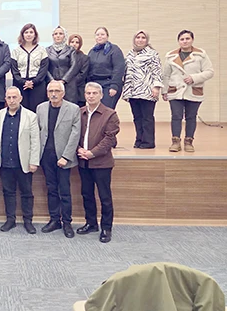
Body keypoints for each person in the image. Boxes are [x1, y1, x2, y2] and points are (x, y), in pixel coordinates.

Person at [36, 81, 80, 238]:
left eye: (57, 91)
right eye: (50, 91)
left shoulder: (73, 109)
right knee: (51, 189)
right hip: (46, 156)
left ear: (63, 93)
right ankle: (54, 220)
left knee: (65, 191)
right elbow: (38, 131)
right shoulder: (41, 108)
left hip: (63, 157)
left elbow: (75, 135)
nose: (53, 94)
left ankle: (67, 222)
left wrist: (66, 157)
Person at [77, 82, 120, 243]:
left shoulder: (110, 114)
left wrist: (92, 153)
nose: (91, 96)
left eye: (94, 93)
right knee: (86, 194)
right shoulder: (80, 112)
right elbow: (74, 133)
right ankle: (91, 223)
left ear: (101, 95)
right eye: (88, 93)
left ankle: (106, 228)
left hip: (102, 163)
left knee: (104, 196)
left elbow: (110, 139)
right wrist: (79, 149)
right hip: (83, 161)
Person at [162, 30, 214, 152]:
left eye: (187, 38)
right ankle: (175, 141)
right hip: (175, 91)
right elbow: (166, 75)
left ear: (192, 40)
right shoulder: (170, 56)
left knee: (191, 117)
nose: (185, 41)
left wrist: (194, 78)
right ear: (178, 41)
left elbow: (209, 72)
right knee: (176, 116)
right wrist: (164, 91)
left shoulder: (201, 55)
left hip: (193, 91)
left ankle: (189, 141)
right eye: (182, 39)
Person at [0, 86, 40, 234]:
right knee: (8, 192)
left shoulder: (31, 116)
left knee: (26, 192)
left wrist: (34, 161)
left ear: (20, 98)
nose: (12, 100)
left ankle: (28, 221)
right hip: (5, 161)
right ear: (5, 99)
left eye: (14, 97)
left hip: (23, 161)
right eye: (9, 97)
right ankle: (10, 220)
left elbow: (35, 141)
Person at [122, 30, 163, 149]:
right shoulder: (130, 54)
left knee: (147, 118)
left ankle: (148, 142)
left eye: (143, 37)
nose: (140, 39)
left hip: (147, 91)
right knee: (137, 118)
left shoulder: (152, 54)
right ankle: (139, 139)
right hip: (133, 91)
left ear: (147, 40)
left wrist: (156, 87)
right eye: (138, 37)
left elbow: (157, 71)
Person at [11, 23, 49, 111]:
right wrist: (23, 82)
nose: (28, 35)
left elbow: (43, 69)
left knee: (37, 110)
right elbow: (14, 70)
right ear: (22, 35)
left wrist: (33, 82)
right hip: (20, 85)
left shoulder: (42, 50)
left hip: (38, 86)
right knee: (21, 111)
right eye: (26, 32)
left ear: (35, 35)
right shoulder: (16, 51)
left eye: (31, 32)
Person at [87, 27, 125, 109]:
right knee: (95, 110)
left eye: (102, 34)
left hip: (109, 84)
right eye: (97, 35)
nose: (100, 36)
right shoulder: (92, 51)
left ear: (107, 36)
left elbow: (118, 69)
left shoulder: (114, 50)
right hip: (95, 85)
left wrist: (114, 86)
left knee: (106, 111)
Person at [46, 26, 79, 104]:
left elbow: (74, 66)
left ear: (65, 36)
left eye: (60, 34)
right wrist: (51, 80)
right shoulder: (47, 50)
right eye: (55, 34)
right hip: (52, 83)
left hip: (68, 83)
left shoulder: (71, 49)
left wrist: (63, 80)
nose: (58, 36)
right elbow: (44, 67)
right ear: (53, 36)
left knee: (69, 107)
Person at [68, 34, 89, 107]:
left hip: (78, 91)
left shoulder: (84, 58)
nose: (74, 44)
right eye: (72, 42)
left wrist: (69, 82)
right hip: (65, 91)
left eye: (77, 42)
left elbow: (83, 74)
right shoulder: (64, 57)